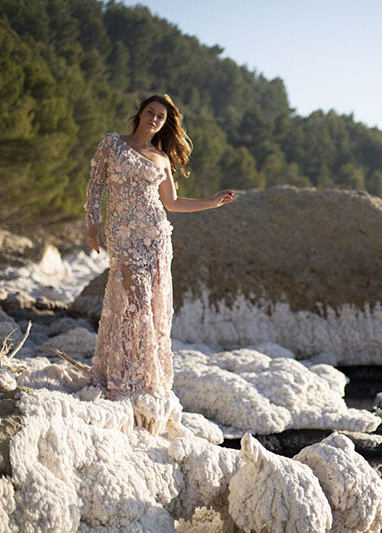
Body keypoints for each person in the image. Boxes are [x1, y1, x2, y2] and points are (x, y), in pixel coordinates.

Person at [84, 94, 233, 415]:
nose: (154, 118)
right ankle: (121, 376)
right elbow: (96, 185)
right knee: (132, 302)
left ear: (165, 124)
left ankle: (143, 379)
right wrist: (92, 221)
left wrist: (212, 201)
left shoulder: (162, 158)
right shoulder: (112, 144)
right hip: (123, 236)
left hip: (155, 238)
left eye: (161, 117)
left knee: (148, 307)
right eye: (150, 112)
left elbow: (173, 203)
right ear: (139, 114)